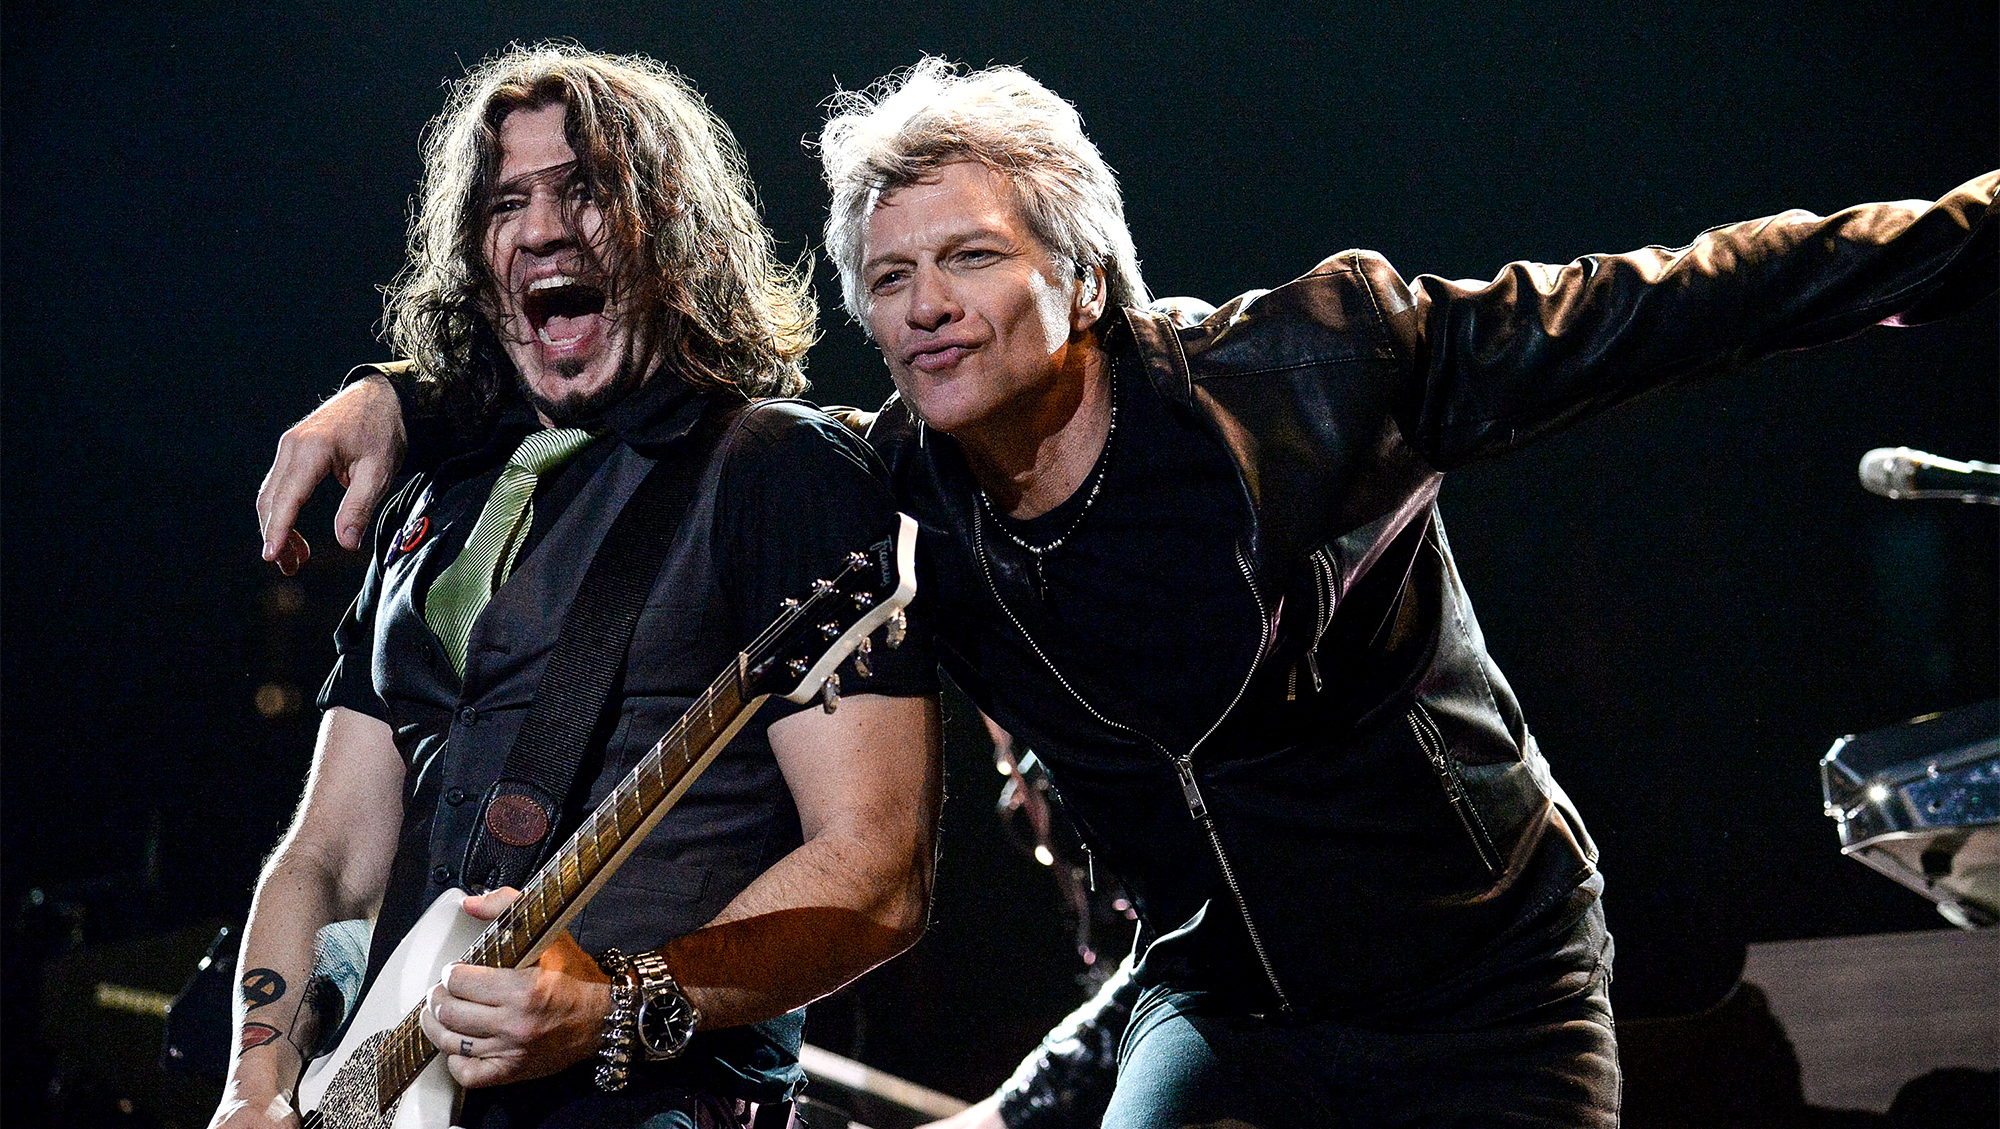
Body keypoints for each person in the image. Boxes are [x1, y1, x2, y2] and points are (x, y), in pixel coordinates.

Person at [259, 57, 1996, 1129]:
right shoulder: (893, 491)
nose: (925, 305)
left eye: (968, 258)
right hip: (1213, 1001)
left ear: (1081, 269)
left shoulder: (1324, 369)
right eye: (889, 278)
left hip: (1485, 983)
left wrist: (1961, 233)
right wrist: (415, 397)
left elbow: (1678, 300)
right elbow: (659, 378)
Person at [216, 46, 942, 1129]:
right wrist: (255, 1085)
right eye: (506, 201)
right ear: (477, 253)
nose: (543, 228)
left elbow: (877, 870)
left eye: (585, 188)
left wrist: (610, 1005)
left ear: (673, 232)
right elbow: (325, 854)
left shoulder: (770, 470)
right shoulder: (434, 503)